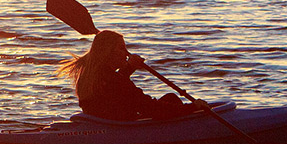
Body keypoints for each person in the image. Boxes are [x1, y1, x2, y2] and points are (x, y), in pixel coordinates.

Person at [58, 29, 201, 121]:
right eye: (122, 49)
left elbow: (115, 88)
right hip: (120, 128)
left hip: (108, 122)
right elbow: (148, 106)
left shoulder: (93, 75)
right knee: (172, 99)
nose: (127, 54)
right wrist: (191, 108)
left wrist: (128, 69)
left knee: (169, 99)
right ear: (108, 53)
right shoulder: (113, 81)